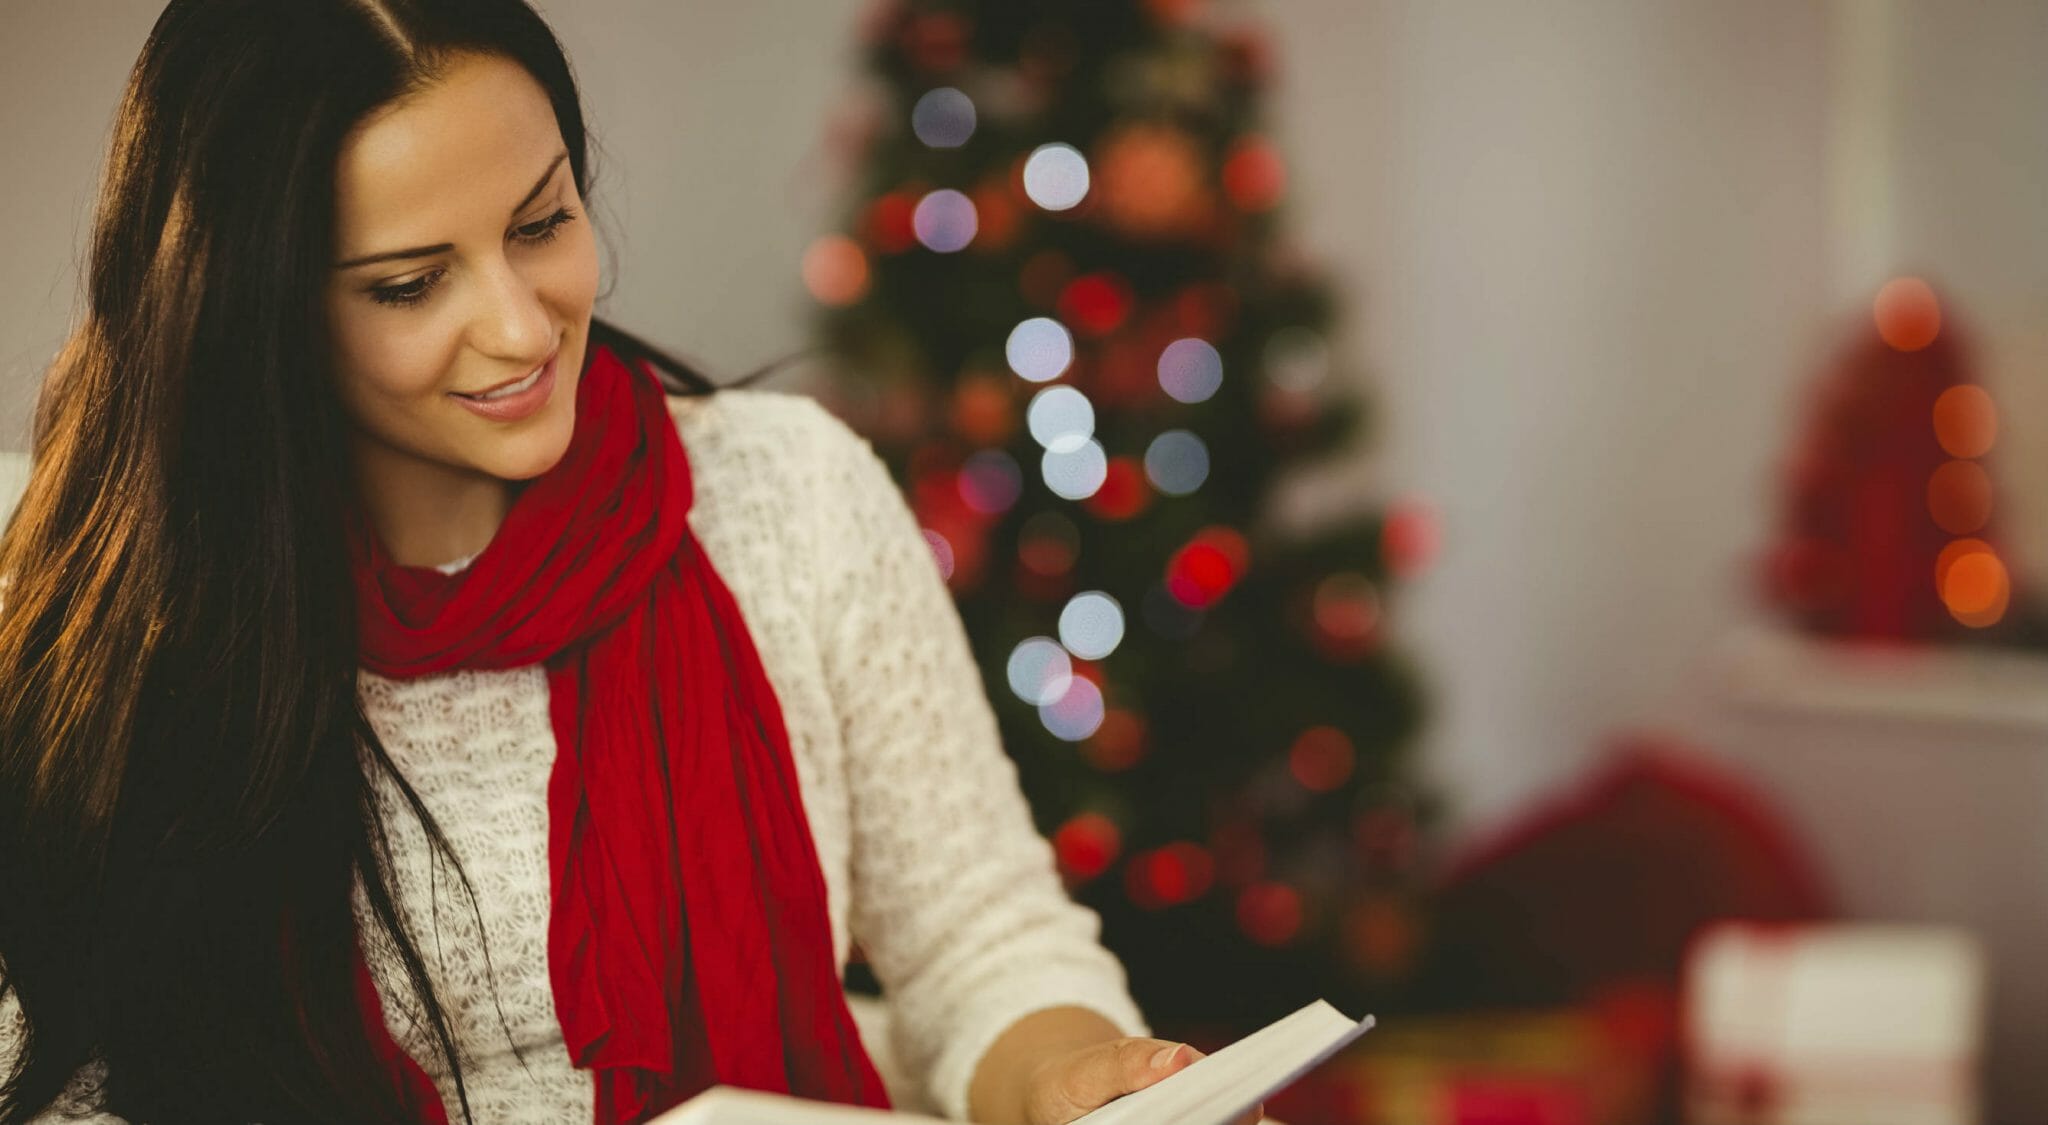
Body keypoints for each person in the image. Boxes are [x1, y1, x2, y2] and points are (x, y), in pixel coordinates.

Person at [0, 2, 1276, 1124]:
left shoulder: (790, 497)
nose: (517, 325)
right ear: (249, 307)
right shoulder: (99, 610)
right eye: (406, 285)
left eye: (542, 221)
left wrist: (1061, 1082)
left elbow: (978, 940)